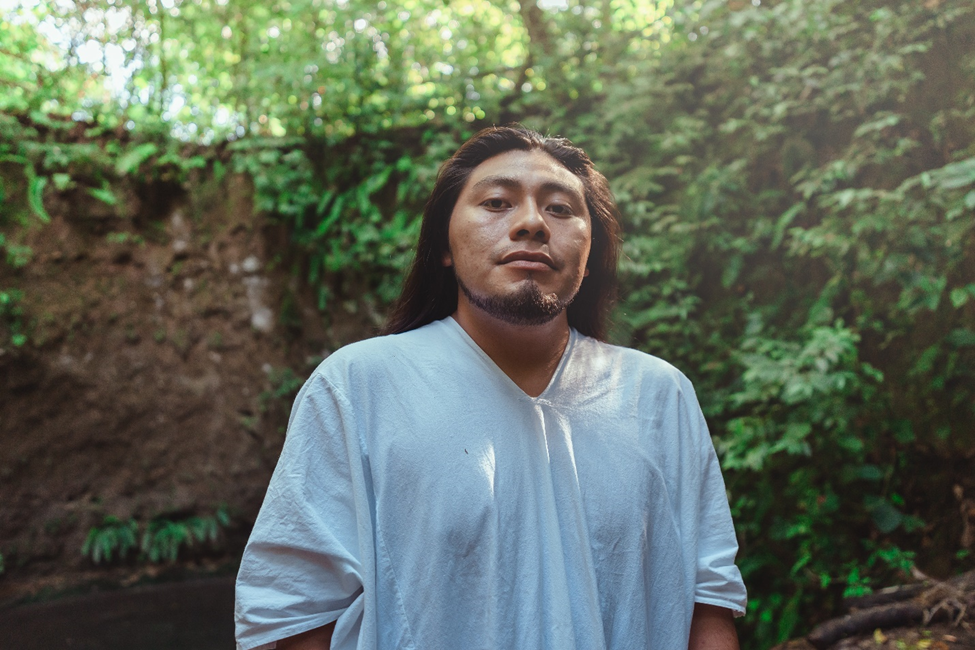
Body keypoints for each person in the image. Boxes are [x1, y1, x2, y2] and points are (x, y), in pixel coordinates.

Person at [234, 125, 747, 650]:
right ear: (444, 248)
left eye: (561, 209)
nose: (531, 224)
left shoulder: (657, 395)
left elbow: (707, 604)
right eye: (498, 202)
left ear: (590, 255)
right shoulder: (360, 387)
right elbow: (296, 611)